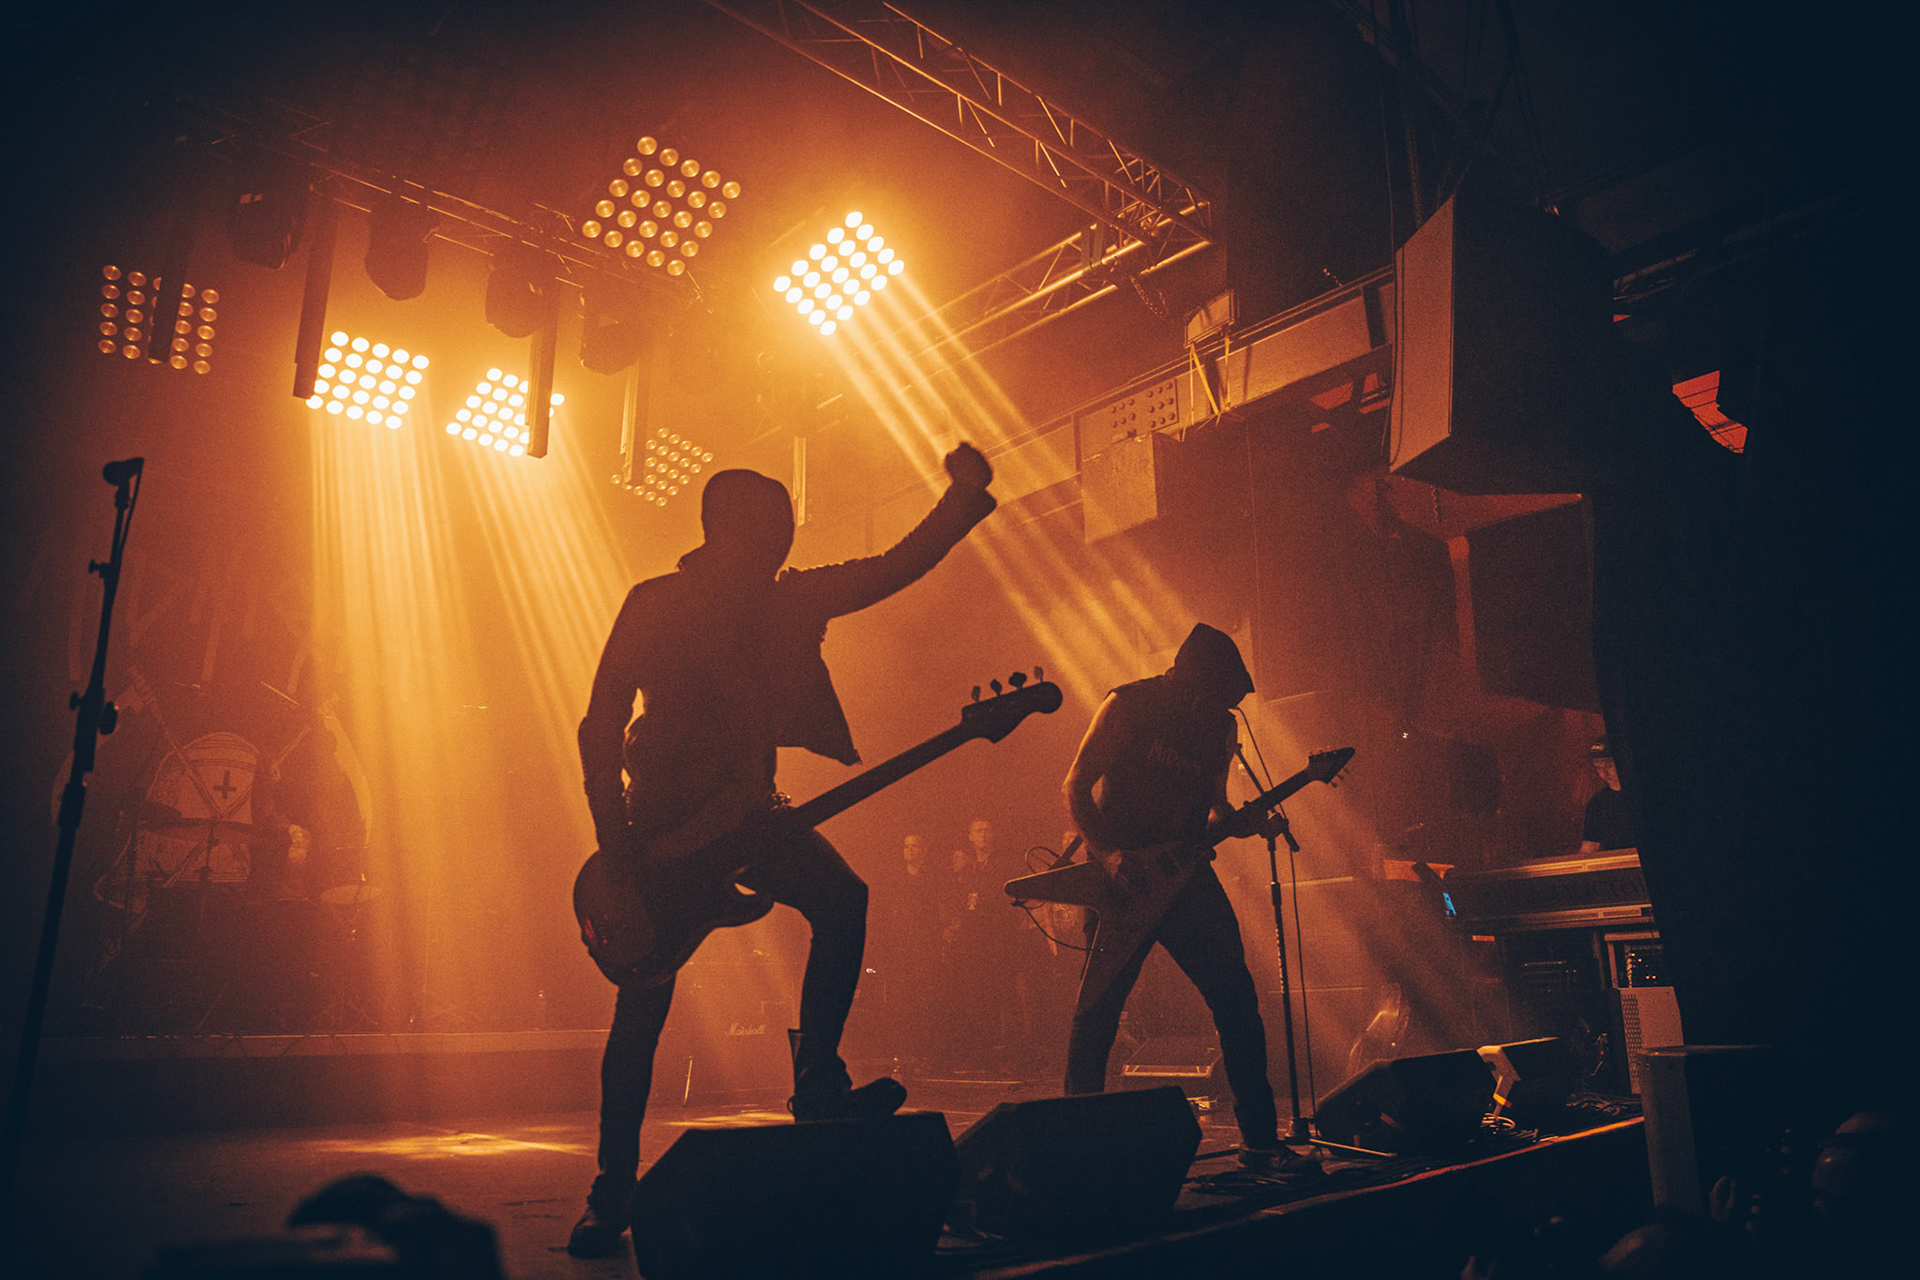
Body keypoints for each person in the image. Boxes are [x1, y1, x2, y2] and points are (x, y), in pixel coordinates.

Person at [566, 444, 996, 1258]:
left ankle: (816, 1082)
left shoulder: (788, 603)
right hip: (660, 829)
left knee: (843, 901)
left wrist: (963, 499)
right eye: (768, 532)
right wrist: (615, 846)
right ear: (723, 531)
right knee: (642, 1011)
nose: (783, 547)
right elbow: (599, 722)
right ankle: (612, 1188)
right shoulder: (656, 604)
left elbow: (892, 568)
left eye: (785, 533)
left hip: (751, 816)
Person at [1060, 623, 1313, 1175]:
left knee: (1237, 1000)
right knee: (1099, 1010)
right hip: (1121, 878)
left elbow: (1215, 802)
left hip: (1187, 878)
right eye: (1220, 691)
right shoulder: (1128, 704)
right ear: (1197, 680)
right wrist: (1108, 855)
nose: (1225, 704)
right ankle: (1072, 1146)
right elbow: (1075, 785)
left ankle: (1261, 1142)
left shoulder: (1220, 728)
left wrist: (1243, 822)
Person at [1578, 736, 1636, 853]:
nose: (1604, 773)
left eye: (1608, 766)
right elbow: (1589, 846)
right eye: (1598, 768)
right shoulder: (1597, 804)